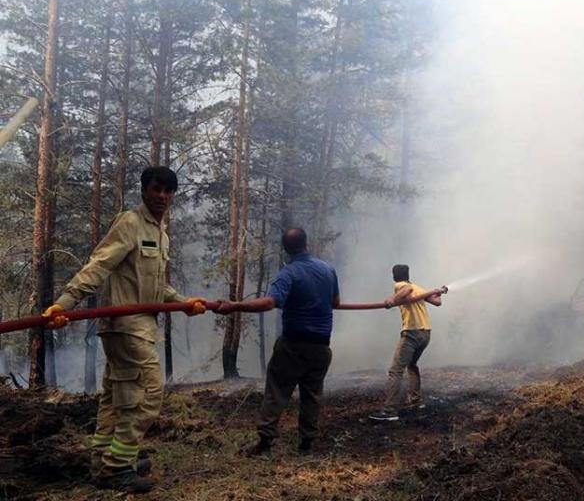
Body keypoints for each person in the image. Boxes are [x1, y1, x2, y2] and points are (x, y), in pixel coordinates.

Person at [43, 166, 206, 494]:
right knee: (148, 394)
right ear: (145, 190)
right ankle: (118, 468)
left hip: (139, 326)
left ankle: (104, 460)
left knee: (116, 398)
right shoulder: (130, 223)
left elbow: (155, 287)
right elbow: (99, 265)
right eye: (156, 189)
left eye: (168, 191)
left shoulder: (161, 234)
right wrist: (66, 302)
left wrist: (185, 302)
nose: (162, 196)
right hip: (126, 328)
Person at [215, 227, 340, 456]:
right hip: (321, 346)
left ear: (285, 250)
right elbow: (336, 301)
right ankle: (306, 445)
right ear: (306, 244)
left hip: (293, 345)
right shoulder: (328, 270)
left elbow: (270, 302)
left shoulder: (289, 273)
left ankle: (265, 442)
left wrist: (235, 306)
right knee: (312, 395)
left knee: (277, 391)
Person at [368, 264, 443, 422]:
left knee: (395, 371)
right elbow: (437, 302)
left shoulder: (402, 285)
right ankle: (416, 401)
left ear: (394, 276)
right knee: (412, 364)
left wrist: (392, 299)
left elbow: (406, 290)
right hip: (425, 334)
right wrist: (438, 292)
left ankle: (389, 411)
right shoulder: (418, 288)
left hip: (412, 333)